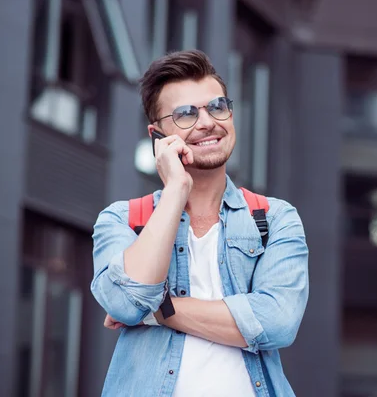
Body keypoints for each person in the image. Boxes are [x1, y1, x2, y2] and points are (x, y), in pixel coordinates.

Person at [91, 49, 309, 397]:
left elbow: (277, 322)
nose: (207, 122)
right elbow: (126, 303)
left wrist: (158, 310)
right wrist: (176, 187)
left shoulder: (274, 218)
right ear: (157, 135)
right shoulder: (122, 220)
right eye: (185, 114)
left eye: (217, 107)